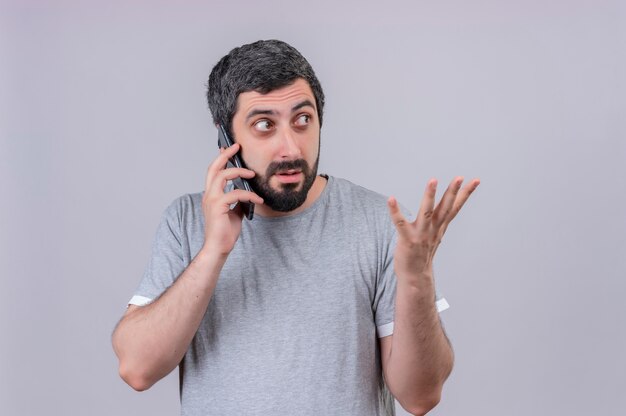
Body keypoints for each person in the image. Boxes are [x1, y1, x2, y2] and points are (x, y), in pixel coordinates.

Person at [112, 39, 479, 416]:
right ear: (226, 139)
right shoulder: (187, 221)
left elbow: (420, 397)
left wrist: (417, 281)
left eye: (303, 120)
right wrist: (212, 253)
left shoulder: (380, 222)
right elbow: (137, 369)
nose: (290, 148)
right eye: (264, 125)